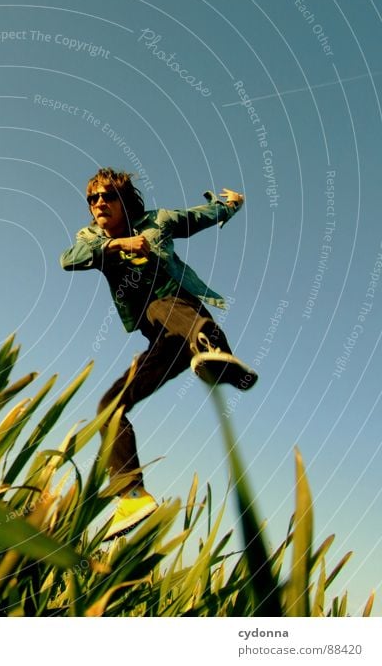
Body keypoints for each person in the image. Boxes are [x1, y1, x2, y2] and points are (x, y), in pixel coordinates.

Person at [60, 168, 258, 538]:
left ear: (125, 201)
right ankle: (132, 494)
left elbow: (201, 217)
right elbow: (69, 259)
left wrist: (231, 204)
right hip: (164, 342)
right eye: (93, 199)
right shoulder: (91, 237)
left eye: (107, 197)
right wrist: (119, 246)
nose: (99, 204)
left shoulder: (158, 221)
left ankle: (216, 352)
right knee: (110, 407)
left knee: (161, 304)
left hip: (181, 314)